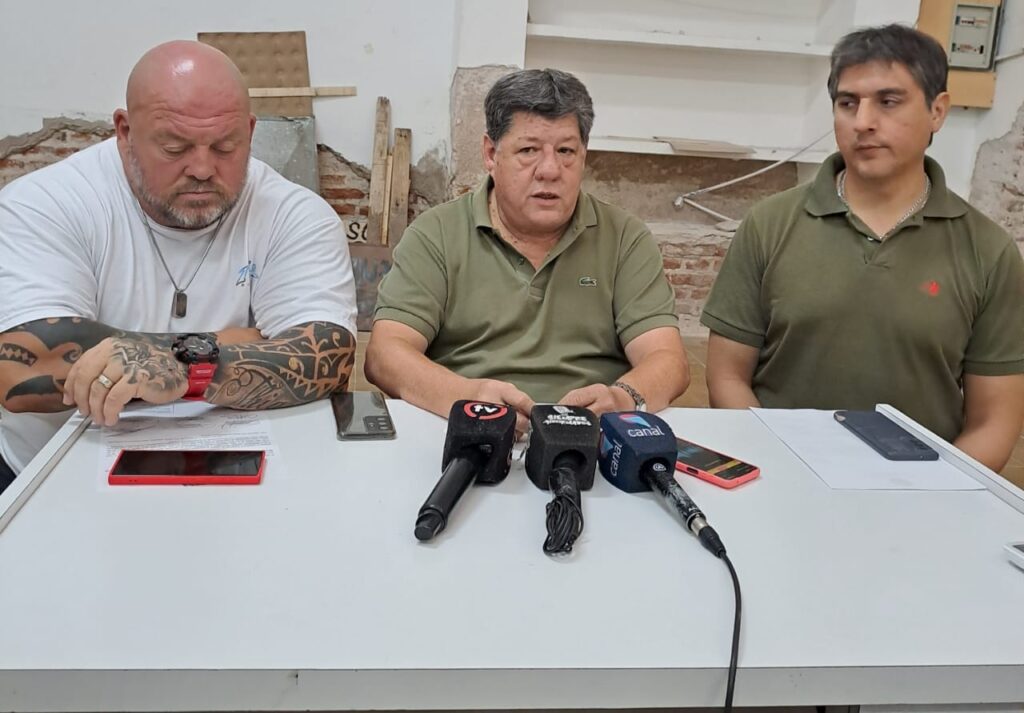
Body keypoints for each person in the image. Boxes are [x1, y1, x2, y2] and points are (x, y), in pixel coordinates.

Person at [0, 40, 358, 489]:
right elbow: (20, 371)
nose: (203, 168)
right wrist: (232, 343)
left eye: (226, 146)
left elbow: (328, 358)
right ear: (124, 131)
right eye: (174, 148)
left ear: (249, 131)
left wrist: (182, 366)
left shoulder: (293, 214)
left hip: (235, 471)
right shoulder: (44, 204)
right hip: (46, 479)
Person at [701, 24, 1024, 471]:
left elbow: (995, 421)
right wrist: (776, 464)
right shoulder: (769, 224)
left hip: (921, 490)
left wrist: (928, 491)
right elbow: (726, 376)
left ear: (937, 111)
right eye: (847, 103)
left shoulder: (988, 251)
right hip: (780, 478)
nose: (863, 122)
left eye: (888, 102)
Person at [366, 69, 689, 431]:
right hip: (470, 429)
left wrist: (623, 397)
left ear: (584, 155)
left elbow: (667, 359)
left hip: (589, 436)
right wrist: (467, 396)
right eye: (528, 150)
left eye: (566, 151)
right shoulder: (436, 234)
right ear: (491, 154)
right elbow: (385, 354)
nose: (550, 170)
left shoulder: (624, 237)